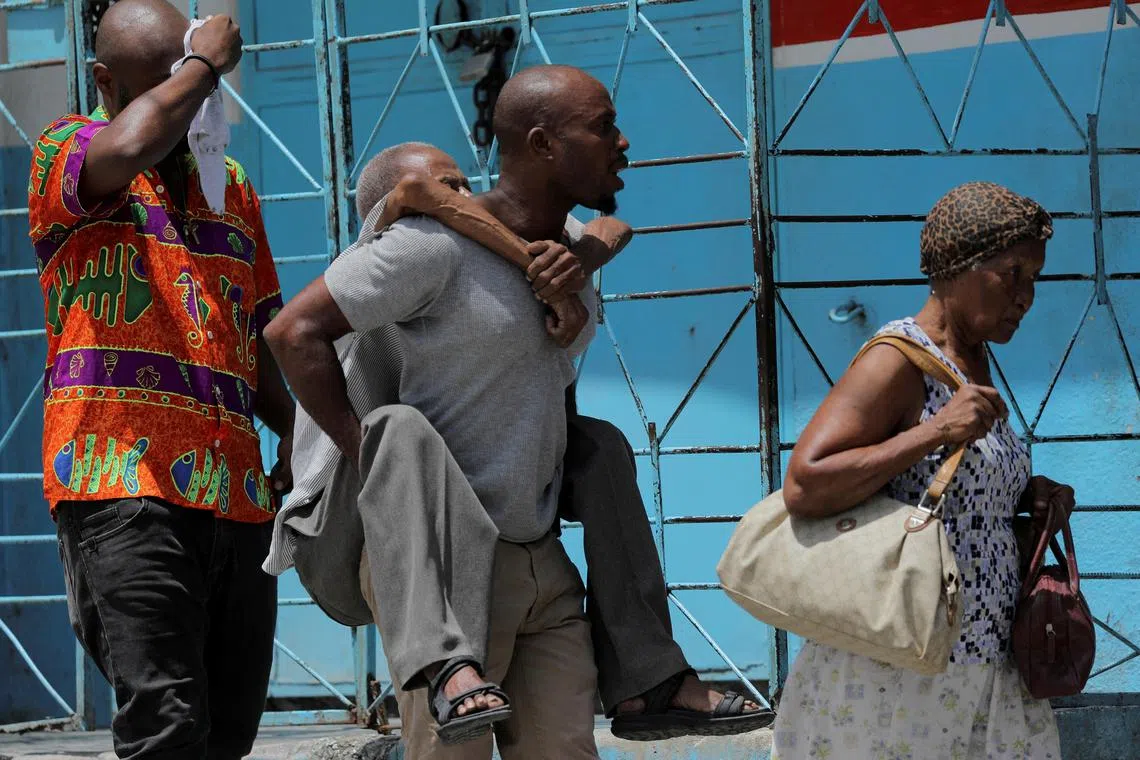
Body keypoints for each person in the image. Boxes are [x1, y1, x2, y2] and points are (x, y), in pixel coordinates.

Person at [263, 138, 769, 747]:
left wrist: (578, 257)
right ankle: (444, 662)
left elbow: (610, 224)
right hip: (387, 532)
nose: (463, 200)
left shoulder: (507, 266)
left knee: (600, 445)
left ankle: (647, 678)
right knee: (399, 431)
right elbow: (300, 322)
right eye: (446, 191)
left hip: (521, 543)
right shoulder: (397, 256)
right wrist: (363, 455)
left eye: (462, 184)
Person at [28, 2, 295, 757]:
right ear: (109, 83)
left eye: (198, 88)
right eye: (167, 84)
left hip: (238, 497)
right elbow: (137, 139)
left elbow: (257, 330)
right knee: (166, 727)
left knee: (229, 733)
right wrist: (204, 64)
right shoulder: (66, 152)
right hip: (120, 488)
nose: (191, 104)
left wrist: (303, 437)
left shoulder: (231, 182)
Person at [771, 182, 1072, 759]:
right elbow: (806, 483)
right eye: (1012, 274)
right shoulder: (896, 361)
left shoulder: (972, 360)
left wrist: (1030, 499)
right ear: (958, 268)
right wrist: (936, 430)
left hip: (985, 659)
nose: (1026, 295)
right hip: (901, 672)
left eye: (1034, 277)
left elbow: (952, 489)